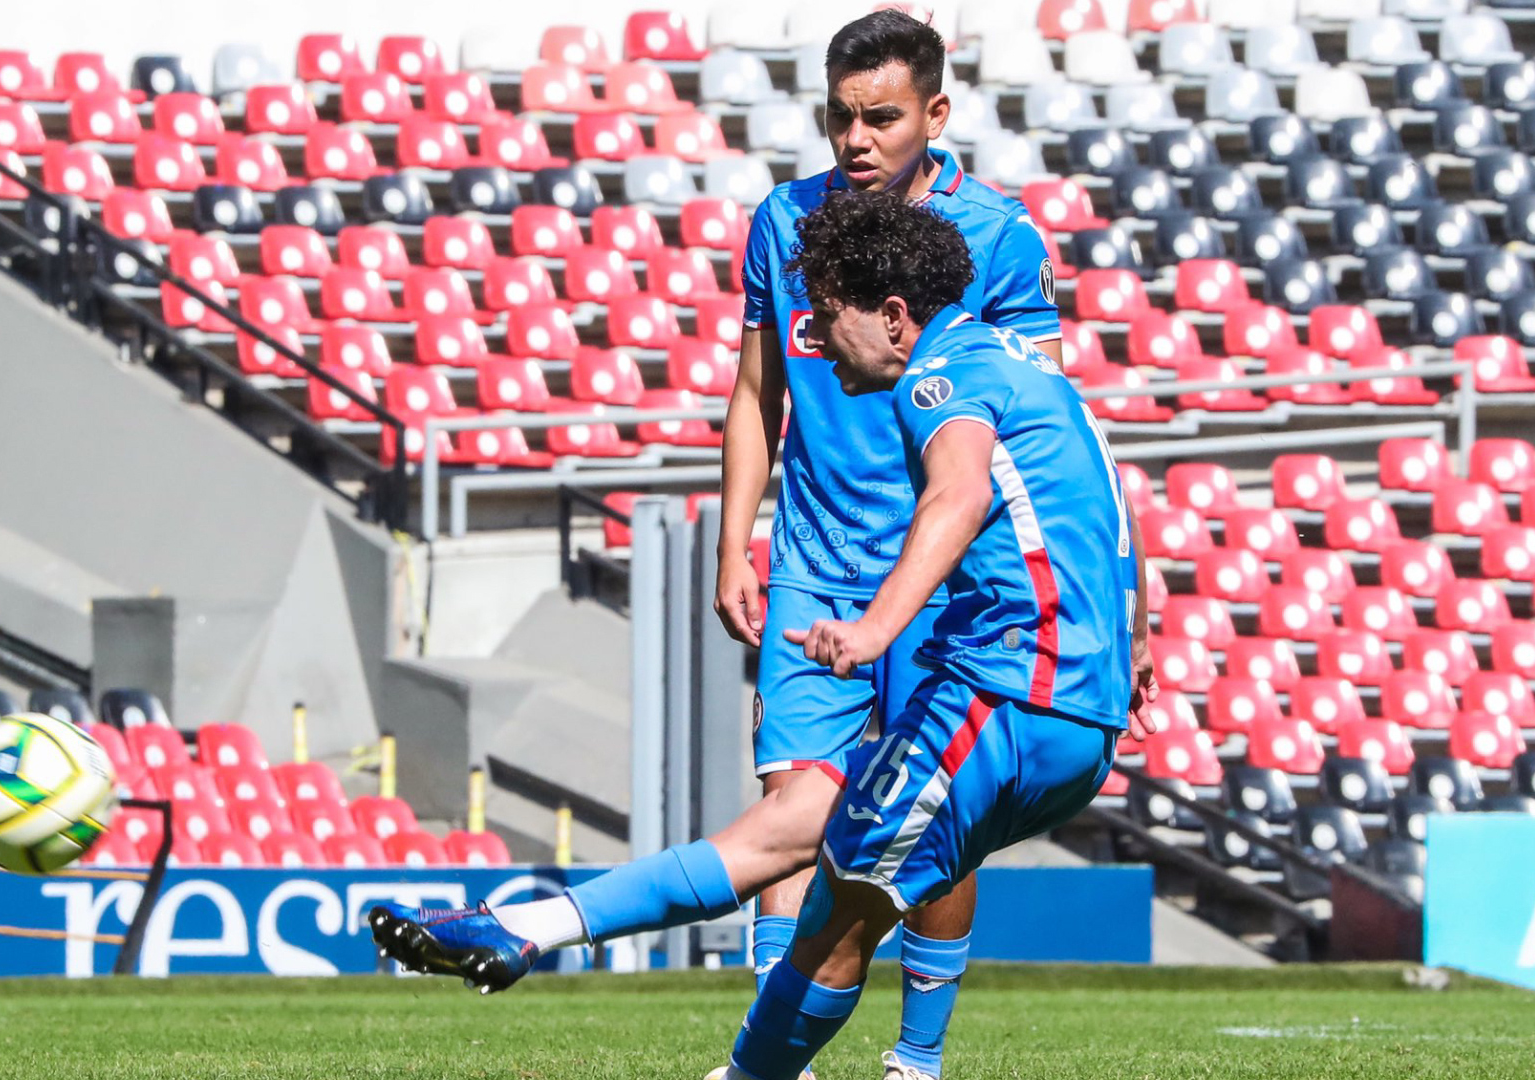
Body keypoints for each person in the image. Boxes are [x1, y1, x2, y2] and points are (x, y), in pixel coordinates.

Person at [370, 196, 1156, 1080]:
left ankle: (768, 1068)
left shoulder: (941, 380)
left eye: (829, 317)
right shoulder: (1033, 371)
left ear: (894, 316)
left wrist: (873, 629)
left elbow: (957, 497)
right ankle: (525, 928)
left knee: (820, 924)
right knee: (796, 835)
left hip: (1004, 696)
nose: (814, 337)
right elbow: (1110, 509)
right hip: (1075, 726)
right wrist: (1135, 637)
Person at [712, 12, 1062, 1068]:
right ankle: (782, 1055)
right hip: (815, 560)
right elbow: (753, 389)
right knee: (793, 806)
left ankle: (918, 1061)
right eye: (840, 117)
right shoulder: (783, 220)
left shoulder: (997, 235)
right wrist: (737, 541)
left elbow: (1046, 422)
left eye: (881, 117)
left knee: (932, 815)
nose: (856, 137)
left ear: (935, 115)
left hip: (943, 566)